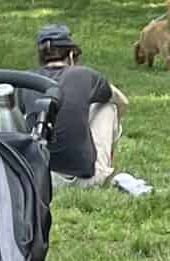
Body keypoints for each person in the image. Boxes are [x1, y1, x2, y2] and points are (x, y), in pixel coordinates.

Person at [38, 22, 126, 191]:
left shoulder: (25, 81)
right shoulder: (84, 74)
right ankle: (104, 169)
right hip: (85, 180)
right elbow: (122, 101)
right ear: (71, 54)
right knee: (108, 107)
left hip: (40, 178)